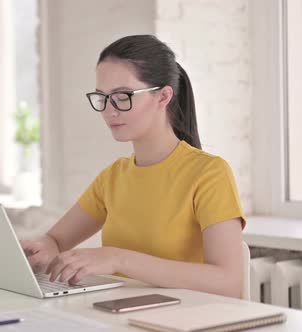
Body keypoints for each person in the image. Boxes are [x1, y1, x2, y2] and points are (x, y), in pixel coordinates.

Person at [21, 35, 246, 298]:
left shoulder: (209, 174)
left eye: (122, 96)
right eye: (102, 97)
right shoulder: (113, 177)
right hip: (119, 315)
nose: (108, 111)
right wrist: (40, 248)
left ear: (163, 97)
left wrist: (118, 259)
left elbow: (228, 281)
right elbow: (56, 241)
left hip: (185, 319)